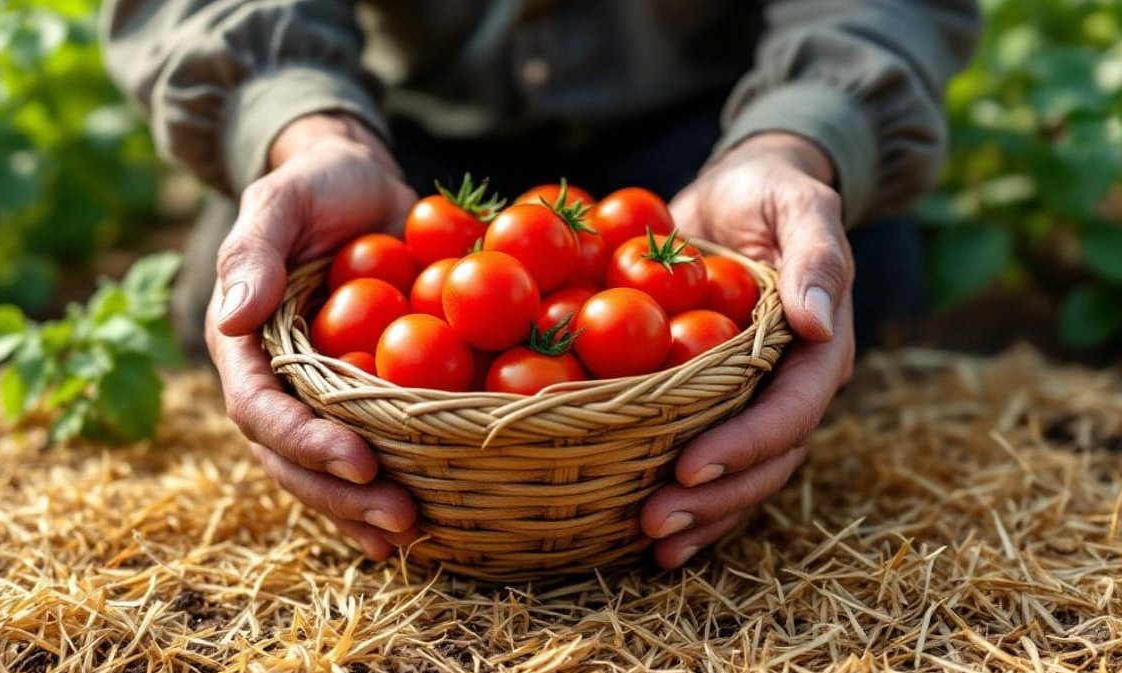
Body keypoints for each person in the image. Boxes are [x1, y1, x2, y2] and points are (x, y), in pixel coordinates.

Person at [103, 1, 979, 570]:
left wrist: (798, 138)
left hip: (718, 131)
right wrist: (306, 127)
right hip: (403, 137)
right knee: (224, 279)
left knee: (855, 270)